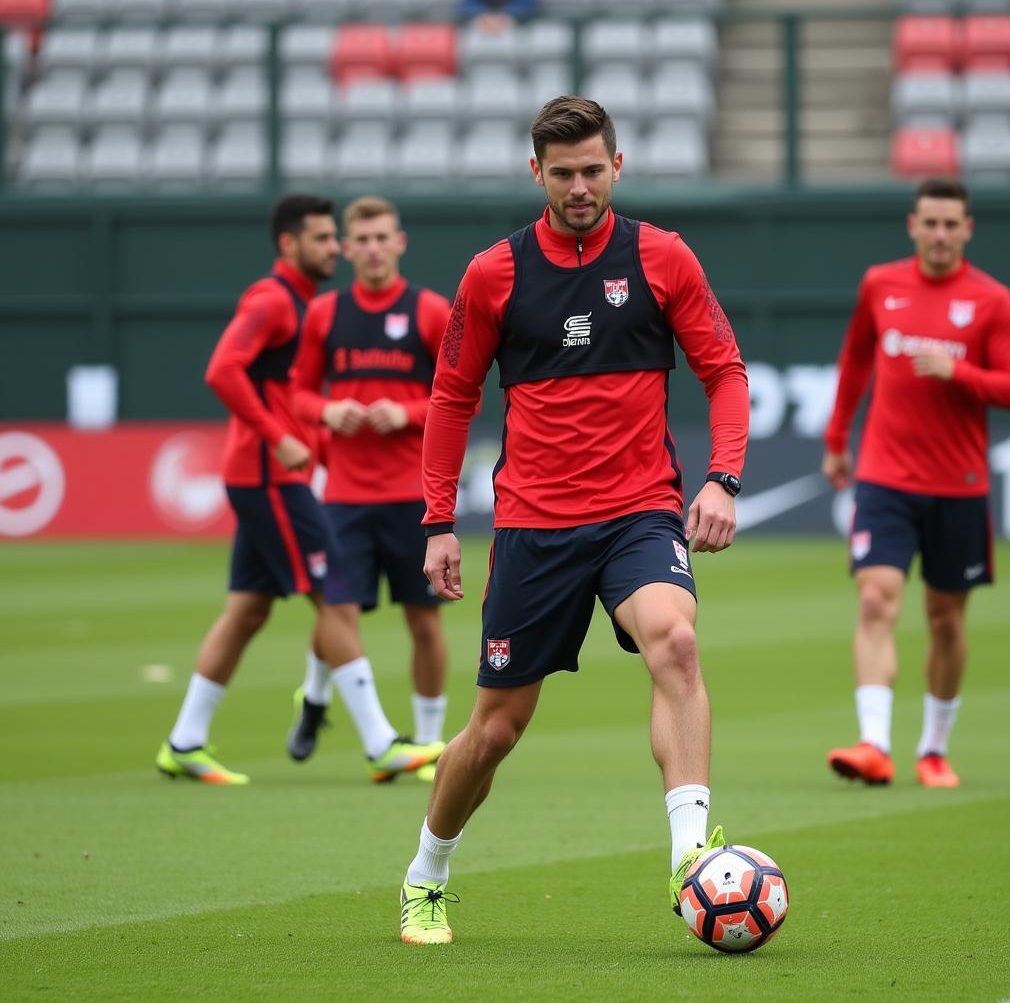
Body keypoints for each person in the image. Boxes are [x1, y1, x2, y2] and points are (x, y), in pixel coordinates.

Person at [397, 96, 750, 945]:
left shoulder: (663, 257)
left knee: (678, 640)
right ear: (537, 175)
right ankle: (426, 874)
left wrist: (722, 479)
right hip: (535, 526)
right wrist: (438, 521)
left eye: (594, 169)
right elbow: (450, 398)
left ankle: (689, 857)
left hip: (639, 513)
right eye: (564, 173)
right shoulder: (494, 273)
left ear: (617, 166)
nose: (581, 186)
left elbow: (725, 372)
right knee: (496, 730)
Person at [157, 195, 438, 786]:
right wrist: (281, 436)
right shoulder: (276, 300)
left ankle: (185, 740)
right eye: (326, 239)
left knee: (248, 609)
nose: (339, 249)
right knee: (334, 597)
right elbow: (221, 370)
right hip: (271, 474)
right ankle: (381, 742)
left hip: (278, 473)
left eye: (344, 238)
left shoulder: (309, 304)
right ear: (289, 244)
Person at [822, 177, 1010, 789]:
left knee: (945, 620)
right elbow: (856, 359)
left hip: (958, 484)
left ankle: (933, 748)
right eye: (929, 223)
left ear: (967, 230)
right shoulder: (881, 285)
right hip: (885, 477)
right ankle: (874, 744)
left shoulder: (990, 301)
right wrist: (837, 439)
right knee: (876, 597)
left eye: (950, 224)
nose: (939, 234)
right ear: (913, 225)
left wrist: (959, 371)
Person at [288, 196, 451, 779]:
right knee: (336, 612)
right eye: (363, 239)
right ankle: (344, 717)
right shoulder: (325, 314)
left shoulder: (431, 311)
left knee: (423, 621)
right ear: (347, 248)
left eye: (384, 237)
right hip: (345, 497)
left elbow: (461, 395)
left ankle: (429, 747)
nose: (374, 248)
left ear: (400, 242)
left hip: (414, 495)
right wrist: (327, 412)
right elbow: (299, 392)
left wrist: (403, 411)